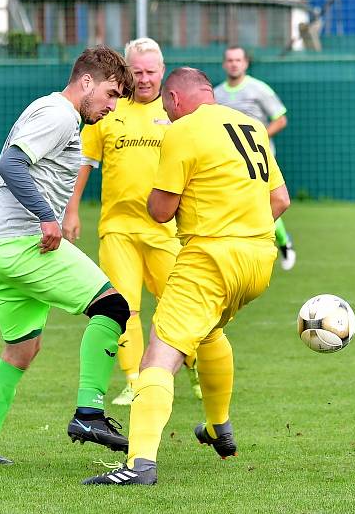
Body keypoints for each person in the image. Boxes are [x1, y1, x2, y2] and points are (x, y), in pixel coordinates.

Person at [82, 67, 291, 485]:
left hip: (210, 259)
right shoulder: (251, 126)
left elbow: (160, 211)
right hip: (257, 261)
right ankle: (218, 427)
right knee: (208, 333)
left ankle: (139, 464)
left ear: (175, 100)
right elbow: (281, 200)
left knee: (159, 354)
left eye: (167, 106)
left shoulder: (183, 130)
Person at [0, 45, 136, 466]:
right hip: (23, 244)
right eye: (110, 94)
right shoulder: (58, 114)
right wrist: (47, 217)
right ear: (86, 81)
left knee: (21, 350)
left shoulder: (57, 113)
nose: (111, 106)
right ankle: (89, 413)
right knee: (113, 306)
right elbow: (11, 163)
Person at [63, 37, 201, 406]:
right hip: (118, 228)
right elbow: (85, 163)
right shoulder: (109, 110)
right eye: (135, 71)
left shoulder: (176, 113)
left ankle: (196, 368)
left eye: (150, 71)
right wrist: (71, 209)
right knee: (126, 306)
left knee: (182, 303)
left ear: (162, 71)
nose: (142, 79)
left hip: (167, 229)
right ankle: (134, 379)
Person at [214, 46, 296, 271]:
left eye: (238, 60)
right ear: (224, 64)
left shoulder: (258, 89)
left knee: (261, 202)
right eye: (230, 60)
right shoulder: (216, 94)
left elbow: (280, 118)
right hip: (227, 160)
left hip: (257, 158)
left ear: (246, 63)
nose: (234, 64)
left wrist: (256, 139)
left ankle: (282, 241)